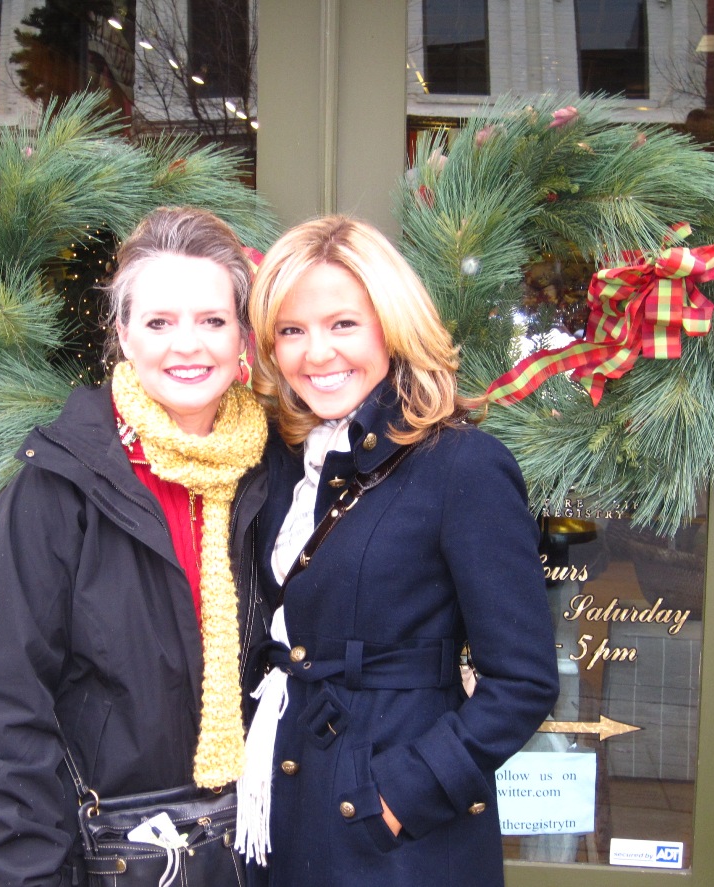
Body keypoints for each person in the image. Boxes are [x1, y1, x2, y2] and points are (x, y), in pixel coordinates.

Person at [237, 216, 559, 887]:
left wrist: (400, 798)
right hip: (279, 806)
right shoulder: (278, 460)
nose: (316, 353)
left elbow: (522, 680)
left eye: (342, 324)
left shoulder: (462, 464)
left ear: (392, 325)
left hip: (393, 841)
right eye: (291, 331)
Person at [0, 206, 269, 887]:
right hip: (107, 859)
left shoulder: (273, 475)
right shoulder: (57, 486)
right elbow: (4, 707)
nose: (187, 345)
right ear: (123, 333)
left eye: (212, 320)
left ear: (242, 335)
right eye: (158, 322)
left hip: (256, 850)